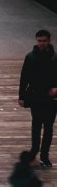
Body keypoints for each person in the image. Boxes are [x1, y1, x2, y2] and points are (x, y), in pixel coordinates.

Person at [20, 28, 57, 167]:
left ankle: (44, 155)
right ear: (36, 41)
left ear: (49, 41)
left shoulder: (55, 57)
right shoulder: (30, 57)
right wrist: (21, 96)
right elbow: (24, 77)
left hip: (51, 97)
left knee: (48, 127)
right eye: (39, 41)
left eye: (44, 41)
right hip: (36, 95)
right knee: (36, 125)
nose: (42, 43)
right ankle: (35, 151)